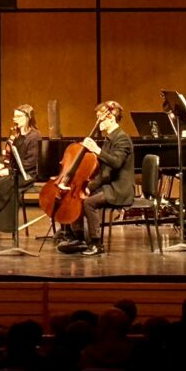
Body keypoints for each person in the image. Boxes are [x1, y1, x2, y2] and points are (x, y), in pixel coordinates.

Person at [57, 101, 135, 257]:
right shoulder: (109, 139)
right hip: (108, 184)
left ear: (111, 118)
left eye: (100, 118)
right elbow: (103, 172)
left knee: (89, 203)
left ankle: (96, 244)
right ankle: (79, 238)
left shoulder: (123, 139)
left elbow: (116, 163)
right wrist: (88, 187)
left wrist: (97, 150)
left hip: (119, 189)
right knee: (78, 197)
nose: (98, 122)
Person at [0, 104, 42, 234]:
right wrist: (0, 164)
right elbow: (7, 156)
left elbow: (30, 162)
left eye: (19, 116)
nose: (15, 119)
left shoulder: (34, 136)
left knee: (1, 182)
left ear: (28, 117)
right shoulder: (15, 135)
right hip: (13, 171)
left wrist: (9, 171)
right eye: (15, 117)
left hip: (26, 174)